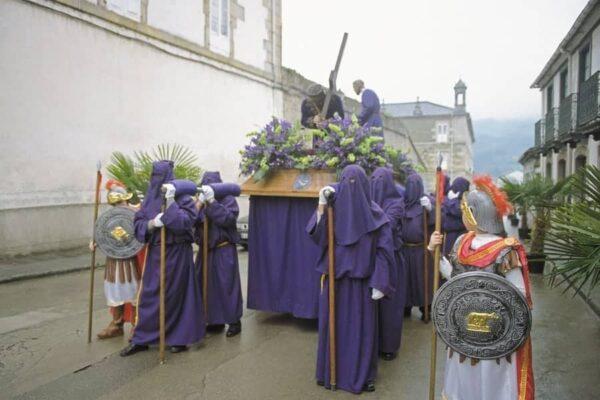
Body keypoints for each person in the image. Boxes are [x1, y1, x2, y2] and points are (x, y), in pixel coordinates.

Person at [428, 175, 534, 400]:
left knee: (491, 385)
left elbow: (519, 297)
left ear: (474, 214)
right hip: (462, 330)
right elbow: (454, 280)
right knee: (463, 383)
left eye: (465, 210)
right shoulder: (462, 242)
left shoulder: (506, 250)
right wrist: (434, 252)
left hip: (496, 337)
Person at [307, 165, 394, 394]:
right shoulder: (333, 211)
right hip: (335, 284)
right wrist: (321, 206)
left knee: (361, 334)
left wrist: (380, 282)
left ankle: (364, 375)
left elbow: (384, 252)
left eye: (355, 183)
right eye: (346, 182)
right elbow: (318, 237)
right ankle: (329, 372)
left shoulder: (377, 216)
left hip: (362, 286)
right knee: (333, 331)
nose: (350, 187)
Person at [120, 160, 205, 356]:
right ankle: (142, 337)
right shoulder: (150, 198)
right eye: (154, 176)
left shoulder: (184, 198)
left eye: (159, 176)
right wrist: (152, 223)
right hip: (156, 253)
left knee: (174, 295)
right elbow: (138, 223)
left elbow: (186, 222)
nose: (155, 180)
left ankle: (178, 337)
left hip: (177, 253)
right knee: (150, 295)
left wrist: (172, 204)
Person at [91, 180, 142, 339]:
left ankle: (136, 325)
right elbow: (104, 233)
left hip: (130, 262)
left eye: (120, 202)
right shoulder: (109, 218)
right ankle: (117, 324)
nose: (118, 206)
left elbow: (140, 236)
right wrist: (96, 241)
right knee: (114, 292)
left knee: (133, 292)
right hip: (113, 261)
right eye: (115, 203)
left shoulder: (136, 214)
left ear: (126, 199)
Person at [195, 171, 243, 337]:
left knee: (226, 286)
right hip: (206, 250)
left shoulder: (228, 199)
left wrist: (213, 203)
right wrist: (199, 204)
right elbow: (192, 220)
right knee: (206, 286)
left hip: (223, 249)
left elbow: (227, 219)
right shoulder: (199, 200)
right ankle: (214, 320)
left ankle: (234, 321)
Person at [370, 167, 407, 361]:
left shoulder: (396, 203)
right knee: (372, 307)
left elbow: (388, 224)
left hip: (391, 258)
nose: (376, 183)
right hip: (372, 259)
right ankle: (372, 343)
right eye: (373, 179)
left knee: (390, 306)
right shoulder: (367, 200)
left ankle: (389, 346)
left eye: (380, 180)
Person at [399, 173, 434, 319]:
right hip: (405, 249)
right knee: (405, 280)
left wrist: (430, 211)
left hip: (421, 250)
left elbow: (436, 225)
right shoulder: (401, 204)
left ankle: (425, 308)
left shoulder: (426, 202)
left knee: (422, 280)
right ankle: (405, 307)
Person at [441, 177, 470, 256]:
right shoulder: (450, 200)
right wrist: (452, 200)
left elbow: (459, 211)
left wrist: (452, 200)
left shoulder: (465, 201)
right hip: (450, 236)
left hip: (461, 235)